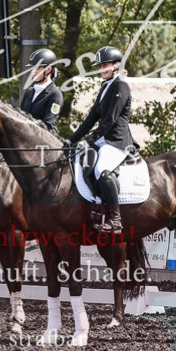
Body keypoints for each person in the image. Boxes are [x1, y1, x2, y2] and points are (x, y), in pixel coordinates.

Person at [67, 46, 133, 234]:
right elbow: (91, 119)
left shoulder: (121, 85)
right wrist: (72, 139)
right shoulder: (106, 87)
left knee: (102, 171)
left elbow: (111, 120)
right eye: (100, 66)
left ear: (116, 65)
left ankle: (116, 219)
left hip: (117, 141)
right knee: (84, 165)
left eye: (105, 65)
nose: (101, 69)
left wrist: (89, 140)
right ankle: (97, 210)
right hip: (102, 141)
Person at [19, 48, 63, 132]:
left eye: (37, 68)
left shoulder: (55, 94)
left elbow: (48, 124)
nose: (33, 71)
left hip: (44, 140)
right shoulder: (29, 92)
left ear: (48, 69)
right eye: (32, 68)